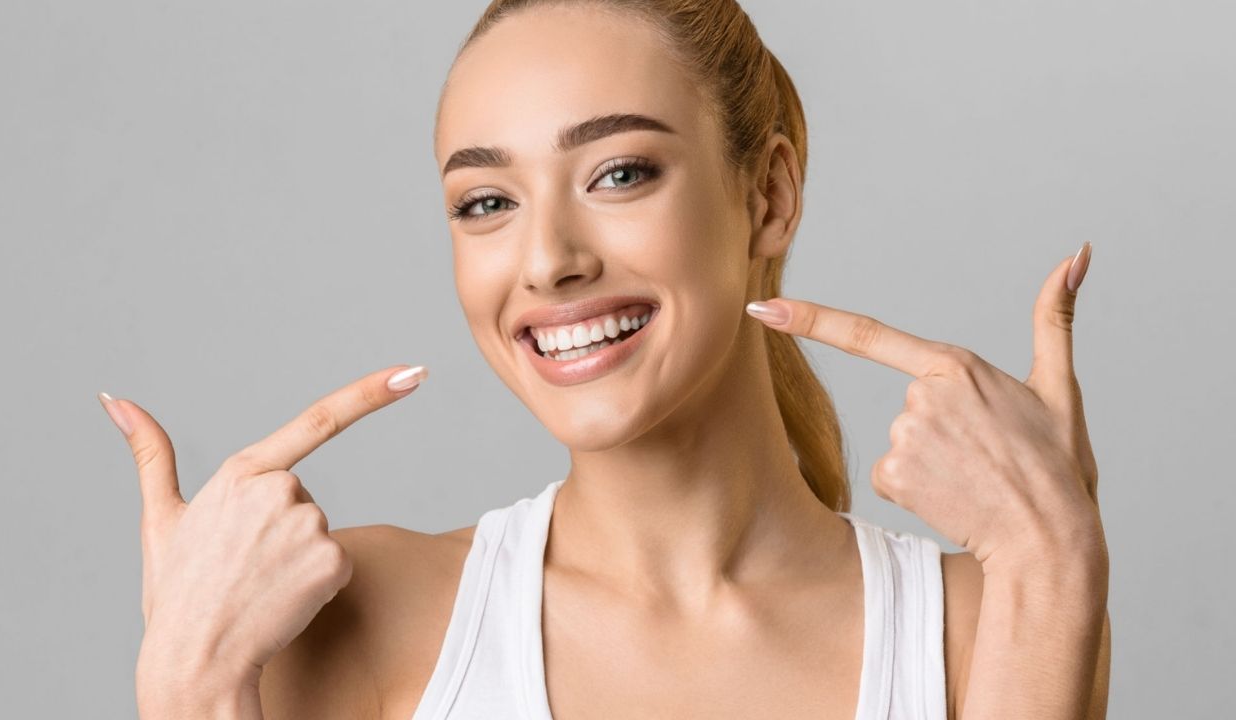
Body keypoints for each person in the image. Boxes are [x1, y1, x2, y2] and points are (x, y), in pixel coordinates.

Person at [104, 1, 1111, 718]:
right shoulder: (359, 617)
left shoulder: (986, 620)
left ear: (766, 194)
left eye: (617, 173)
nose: (547, 260)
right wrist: (190, 687)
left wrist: (1051, 556)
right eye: (485, 203)